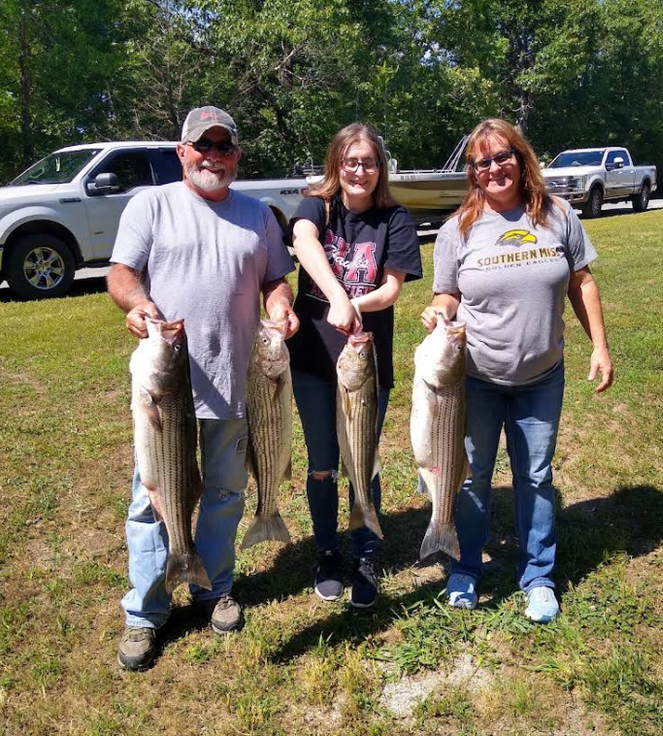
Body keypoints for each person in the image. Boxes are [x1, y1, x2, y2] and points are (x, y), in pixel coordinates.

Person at [108, 106, 299, 671]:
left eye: (224, 147)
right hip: (167, 387)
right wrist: (138, 304)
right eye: (203, 145)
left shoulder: (258, 215)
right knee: (153, 499)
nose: (213, 155)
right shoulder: (152, 204)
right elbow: (122, 273)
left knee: (224, 493)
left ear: (236, 155)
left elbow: (274, 279)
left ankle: (213, 587)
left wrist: (281, 305)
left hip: (241, 382)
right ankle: (146, 613)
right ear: (182, 152)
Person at [421, 118, 613, 623]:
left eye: (502, 156)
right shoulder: (456, 229)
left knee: (534, 475)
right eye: (482, 161)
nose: (494, 168)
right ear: (473, 172)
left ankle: (539, 575)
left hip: (541, 378)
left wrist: (600, 345)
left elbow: (581, 282)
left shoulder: (558, 214)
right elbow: (447, 293)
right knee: (469, 476)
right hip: (475, 381)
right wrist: (440, 311)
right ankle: (465, 566)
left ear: (521, 157)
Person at [288, 123, 422, 608]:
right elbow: (303, 243)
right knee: (322, 463)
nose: (359, 171)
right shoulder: (316, 206)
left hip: (366, 363)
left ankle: (365, 553)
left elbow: (391, 287)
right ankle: (327, 552)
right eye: (351, 162)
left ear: (379, 168)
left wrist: (356, 306)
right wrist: (337, 295)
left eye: (368, 162)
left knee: (362, 461)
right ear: (336, 165)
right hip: (312, 361)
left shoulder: (395, 218)